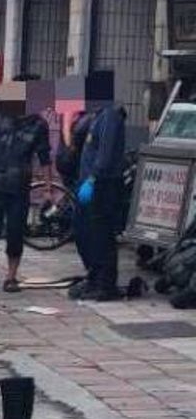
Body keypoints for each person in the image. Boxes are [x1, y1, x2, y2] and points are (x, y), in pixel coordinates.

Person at [0, 88, 52, 295]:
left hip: (19, 188)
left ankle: (11, 277)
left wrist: (47, 189)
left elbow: (45, 157)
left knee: (16, 233)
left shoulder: (38, 124)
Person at [70, 95, 127, 301]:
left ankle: (105, 285)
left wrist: (93, 179)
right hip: (91, 184)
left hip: (103, 185)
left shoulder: (110, 116)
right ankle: (94, 278)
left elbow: (106, 152)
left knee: (102, 236)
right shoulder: (97, 116)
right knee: (89, 234)